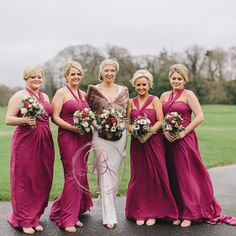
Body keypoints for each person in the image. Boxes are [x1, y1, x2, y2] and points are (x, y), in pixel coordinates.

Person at [160, 64, 222, 227]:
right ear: (170, 78)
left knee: (186, 175)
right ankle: (176, 212)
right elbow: (160, 117)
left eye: (179, 78)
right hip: (168, 141)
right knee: (172, 174)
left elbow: (200, 116)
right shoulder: (164, 95)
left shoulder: (189, 95)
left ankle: (190, 213)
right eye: (173, 78)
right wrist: (165, 131)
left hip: (184, 139)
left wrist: (182, 133)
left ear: (185, 80)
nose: (176, 81)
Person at [125, 69, 178, 226]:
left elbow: (160, 120)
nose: (141, 87)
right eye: (138, 85)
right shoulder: (130, 102)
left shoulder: (155, 100)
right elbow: (127, 121)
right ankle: (140, 211)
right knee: (139, 177)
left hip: (153, 142)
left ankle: (155, 212)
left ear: (149, 85)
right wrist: (134, 131)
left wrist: (148, 134)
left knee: (155, 176)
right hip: (137, 144)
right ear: (134, 85)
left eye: (144, 84)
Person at [5, 66, 54, 234]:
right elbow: (8, 119)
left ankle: (34, 217)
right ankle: (23, 219)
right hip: (25, 142)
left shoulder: (45, 96)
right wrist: (25, 120)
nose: (36, 79)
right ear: (26, 78)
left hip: (45, 141)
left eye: (39, 76)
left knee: (42, 178)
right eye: (32, 76)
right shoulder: (20, 95)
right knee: (24, 179)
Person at [49, 61, 92, 233]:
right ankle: (67, 219)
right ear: (66, 75)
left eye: (78, 74)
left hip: (84, 137)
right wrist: (73, 128)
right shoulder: (61, 92)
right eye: (72, 74)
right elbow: (55, 117)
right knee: (72, 175)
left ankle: (71, 212)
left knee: (80, 174)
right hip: (68, 136)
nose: (75, 77)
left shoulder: (83, 94)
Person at [86, 58, 129, 229]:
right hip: (100, 135)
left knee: (114, 173)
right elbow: (87, 113)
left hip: (120, 136)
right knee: (105, 172)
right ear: (101, 72)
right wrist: (100, 125)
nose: (109, 73)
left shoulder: (124, 90)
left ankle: (108, 205)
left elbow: (126, 114)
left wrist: (120, 126)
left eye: (112, 70)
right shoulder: (93, 90)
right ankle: (108, 215)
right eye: (107, 70)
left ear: (115, 72)